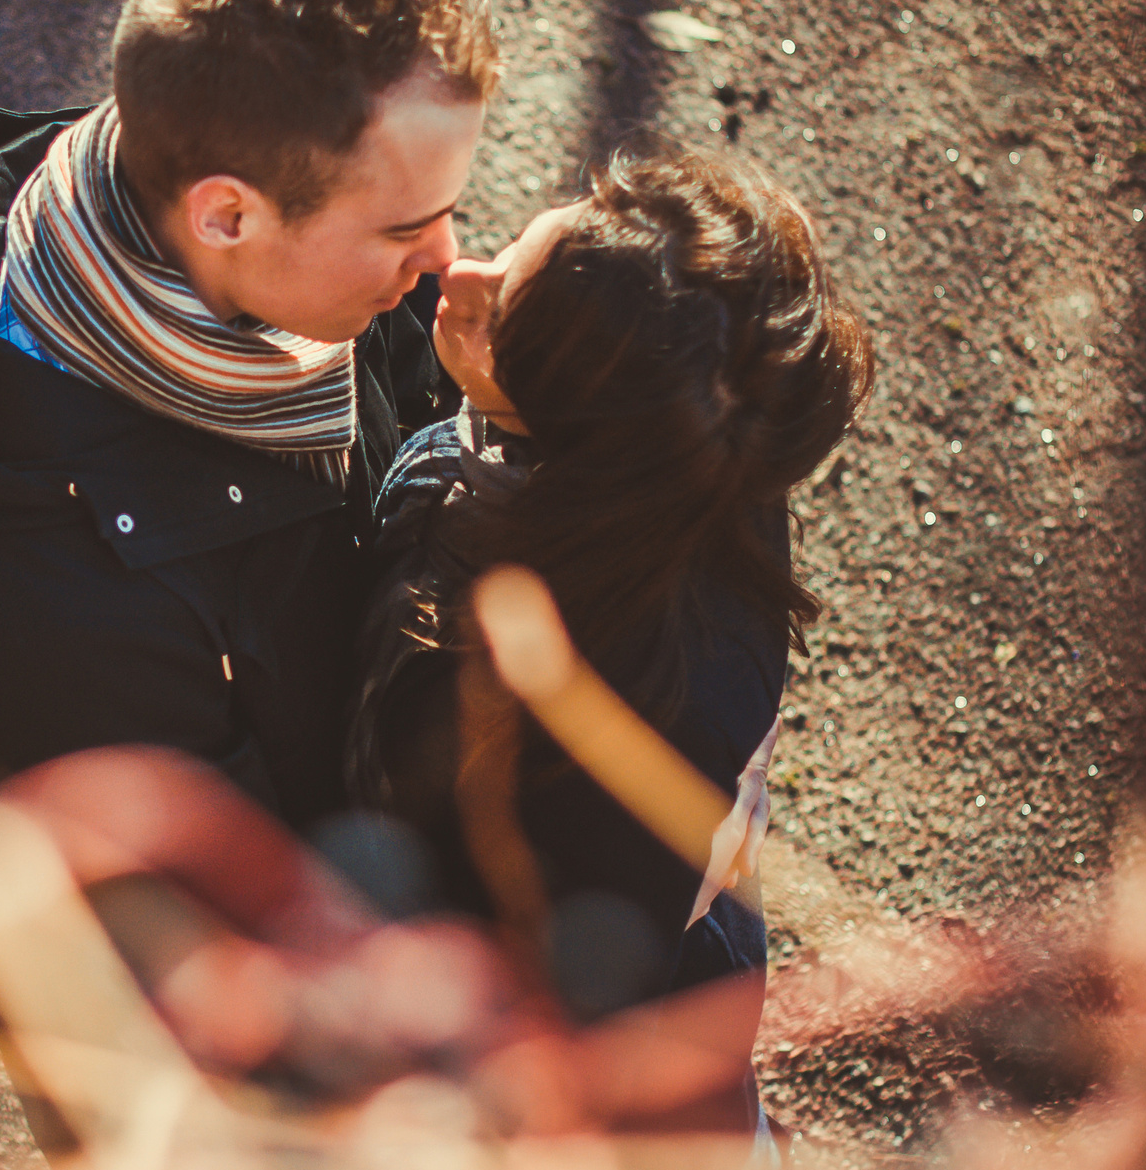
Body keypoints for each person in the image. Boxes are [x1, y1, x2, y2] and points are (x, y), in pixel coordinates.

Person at [0, 0, 501, 827]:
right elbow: (198, 931)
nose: (445, 259)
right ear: (225, 214)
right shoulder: (32, 611)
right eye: (408, 227)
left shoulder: (262, 231)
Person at [350, 143, 872, 1021]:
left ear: (581, 454)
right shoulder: (699, 454)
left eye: (498, 318)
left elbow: (551, 1009)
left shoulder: (589, 744)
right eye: (520, 243)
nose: (460, 271)